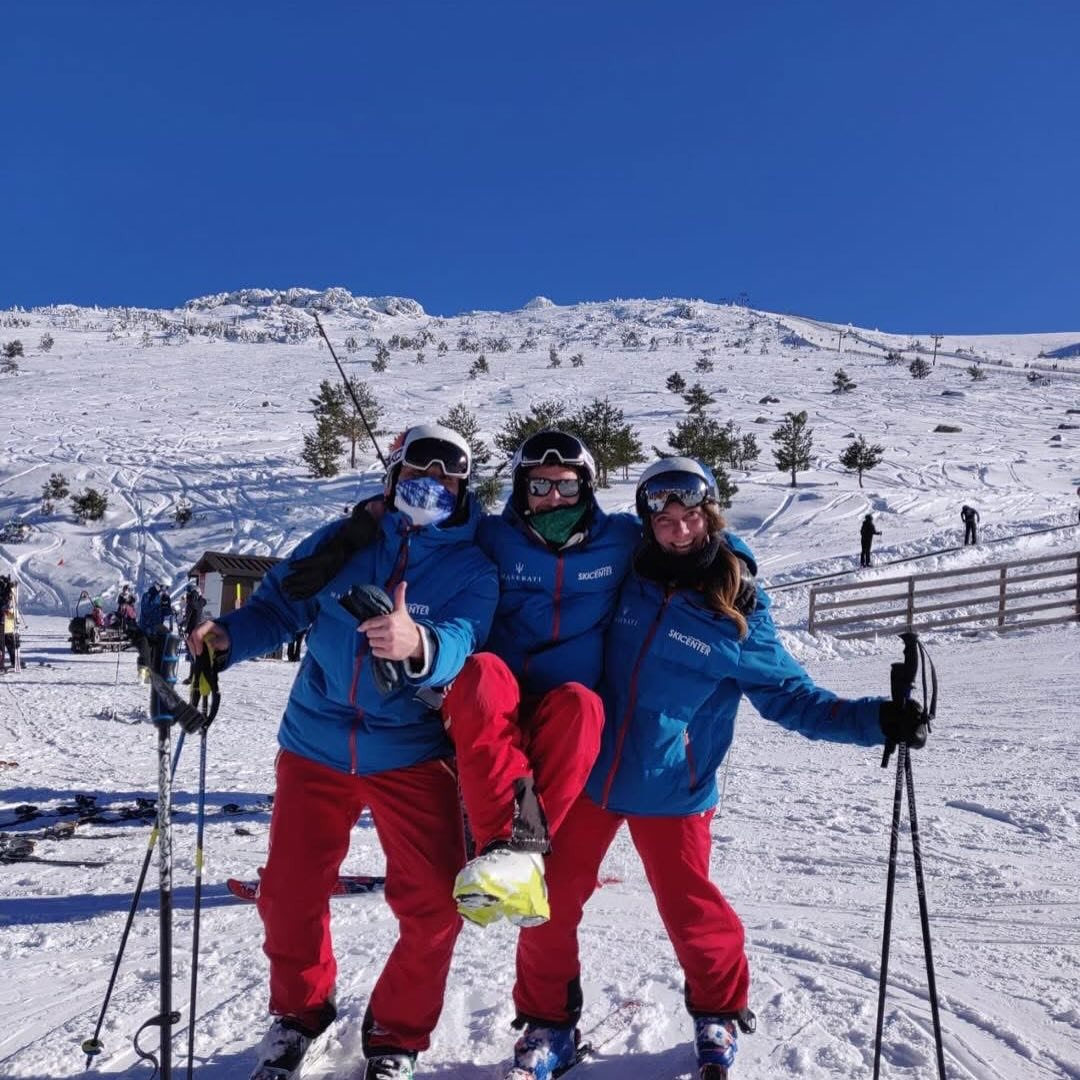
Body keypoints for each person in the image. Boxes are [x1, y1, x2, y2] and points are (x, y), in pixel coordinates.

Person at [506, 457, 929, 1080]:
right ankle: (548, 1023)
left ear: (710, 517)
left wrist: (876, 720)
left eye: (689, 518)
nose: (677, 531)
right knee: (549, 904)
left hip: (674, 787)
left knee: (692, 911)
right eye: (664, 519)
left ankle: (719, 1012)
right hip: (590, 778)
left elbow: (792, 697)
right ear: (648, 522)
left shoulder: (736, 609)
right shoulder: (625, 574)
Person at [188, 423, 498, 1080]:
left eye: (448, 477)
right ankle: (301, 1013)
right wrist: (225, 639)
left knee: (436, 904)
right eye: (419, 471)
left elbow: (463, 637)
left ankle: (397, 1035)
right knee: (289, 893)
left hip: (411, 753)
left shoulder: (474, 564)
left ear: (463, 487)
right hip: (315, 744)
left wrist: (418, 644)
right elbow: (278, 608)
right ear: (393, 474)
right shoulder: (343, 539)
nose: (432, 485)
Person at [443, 430, 641, 928]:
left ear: (588, 489)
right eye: (540, 486)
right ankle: (507, 849)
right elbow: (430, 536)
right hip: (501, 693)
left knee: (584, 705)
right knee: (483, 672)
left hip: (564, 698)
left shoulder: (620, 540)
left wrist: (739, 562)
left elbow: (686, 534)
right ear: (519, 490)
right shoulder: (491, 536)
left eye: (567, 487)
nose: (554, 497)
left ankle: (521, 858)